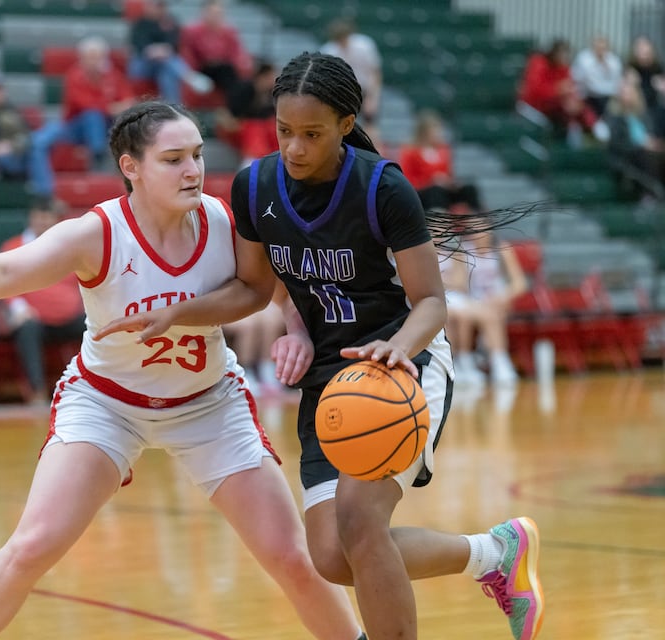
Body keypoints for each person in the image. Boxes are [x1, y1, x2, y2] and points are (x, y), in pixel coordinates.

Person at [95, 52, 545, 640]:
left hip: (405, 363)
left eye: (311, 134)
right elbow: (256, 289)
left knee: (360, 521)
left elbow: (431, 302)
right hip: (330, 378)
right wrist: (180, 312)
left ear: (344, 123)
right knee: (333, 556)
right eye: (285, 131)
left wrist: (399, 351)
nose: (295, 148)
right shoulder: (255, 186)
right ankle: (495, 554)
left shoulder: (383, 188)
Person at [0, 100, 367, 640]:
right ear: (131, 167)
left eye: (197, 155)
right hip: (107, 404)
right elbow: (10, 269)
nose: (193, 169)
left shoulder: (223, 219)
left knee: (293, 558)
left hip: (208, 403)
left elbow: (274, 285)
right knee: (33, 544)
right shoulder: (97, 233)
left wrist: (297, 328)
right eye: (173, 159)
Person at [0, 197, 86, 405]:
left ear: (56, 221)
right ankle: (36, 392)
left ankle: (94, 390)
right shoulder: (13, 246)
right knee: (28, 329)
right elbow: (4, 284)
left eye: (48, 219)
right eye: (39, 219)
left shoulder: (69, 247)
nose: (43, 223)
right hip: (33, 319)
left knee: (97, 326)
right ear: (31, 219)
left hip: (70, 317)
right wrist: (18, 308)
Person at [27, 35, 137, 198]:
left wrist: (111, 108)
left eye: (97, 57)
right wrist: (111, 107)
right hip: (74, 126)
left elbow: (130, 101)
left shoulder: (113, 76)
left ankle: (100, 158)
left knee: (105, 121)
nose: (94, 61)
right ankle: (45, 192)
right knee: (38, 141)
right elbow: (85, 104)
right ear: (82, 58)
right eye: (90, 57)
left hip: (107, 126)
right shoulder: (74, 75)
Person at [438, 231, 528, 387]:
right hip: (469, 300)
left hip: (490, 300)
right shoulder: (463, 250)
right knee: (463, 317)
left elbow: (520, 284)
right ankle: (465, 361)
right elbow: (461, 285)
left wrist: (502, 297)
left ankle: (497, 360)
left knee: (490, 313)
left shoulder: (501, 249)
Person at [518, 39, 605, 147]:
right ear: (554, 53)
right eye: (561, 54)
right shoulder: (539, 62)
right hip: (532, 108)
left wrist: (572, 100)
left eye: (566, 54)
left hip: (554, 109)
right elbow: (535, 91)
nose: (564, 58)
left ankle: (592, 130)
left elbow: (570, 89)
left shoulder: (564, 67)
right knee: (543, 126)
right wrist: (558, 90)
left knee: (574, 124)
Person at [127, 0, 214, 104]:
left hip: (163, 63)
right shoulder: (140, 24)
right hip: (142, 65)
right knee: (168, 61)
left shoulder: (170, 22)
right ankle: (189, 77)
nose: (160, 9)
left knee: (167, 73)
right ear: (148, 7)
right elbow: (139, 46)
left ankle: (173, 107)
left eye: (162, 6)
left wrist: (162, 51)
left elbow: (174, 44)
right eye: (157, 6)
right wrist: (154, 51)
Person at [399, 109, 484, 213]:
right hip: (423, 194)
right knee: (435, 191)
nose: (438, 133)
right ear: (424, 132)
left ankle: (479, 220)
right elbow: (407, 181)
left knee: (469, 189)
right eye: (434, 130)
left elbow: (448, 174)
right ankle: (440, 221)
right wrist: (431, 181)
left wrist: (450, 182)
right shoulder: (410, 151)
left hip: (443, 190)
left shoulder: (443, 150)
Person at [320, 18, 382, 144]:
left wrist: (373, 97)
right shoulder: (329, 51)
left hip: (365, 90)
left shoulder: (365, 45)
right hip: (342, 92)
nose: (342, 43)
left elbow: (375, 72)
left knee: (370, 125)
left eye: (344, 39)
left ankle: (374, 152)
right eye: (339, 40)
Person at [603, 73, 665, 199]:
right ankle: (650, 194)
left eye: (630, 92)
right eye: (624, 92)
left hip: (648, 150)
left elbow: (651, 134)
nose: (627, 96)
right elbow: (616, 142)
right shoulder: (614, 116)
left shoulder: (643, 115)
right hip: (625, 156)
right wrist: (642, 144)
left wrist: (653, 143)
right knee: (644, 154)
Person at [222, 280, 287, 396]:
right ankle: (247, 372)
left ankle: (268, 370)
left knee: (271, 321)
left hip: (254, 302)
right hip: (228, 306)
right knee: (249, 326)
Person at [179, 0, 253, 102]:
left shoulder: (229, 31)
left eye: (218, 13)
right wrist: (191, 73)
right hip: (202, 69)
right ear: (204, 12)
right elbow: (187, 54)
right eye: (213, 13)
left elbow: (236, 53)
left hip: (224, 68)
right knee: (226, 73)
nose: (215, 16)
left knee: (236, 76)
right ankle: (233, 110)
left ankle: (235, 109)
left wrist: (242, 65)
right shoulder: (192, 31)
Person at [215, 58, 279, 168]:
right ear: (261, 76)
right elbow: (226, 116)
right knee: (254, 129)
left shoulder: (272, 94)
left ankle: (277, 161)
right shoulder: (242, 89)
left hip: (260, 131)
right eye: (270, 76)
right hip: (237, 129)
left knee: (273, 128)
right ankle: (252, 162)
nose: (273, 80)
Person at [571, 34, 624, 118]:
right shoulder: (584, 58)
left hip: (608, 97)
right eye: (597, 47)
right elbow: (577, 77)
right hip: (588, 96)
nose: (600, 50)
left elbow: (616, 81)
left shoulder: (613, 61)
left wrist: (605, 66)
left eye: (603, 48)